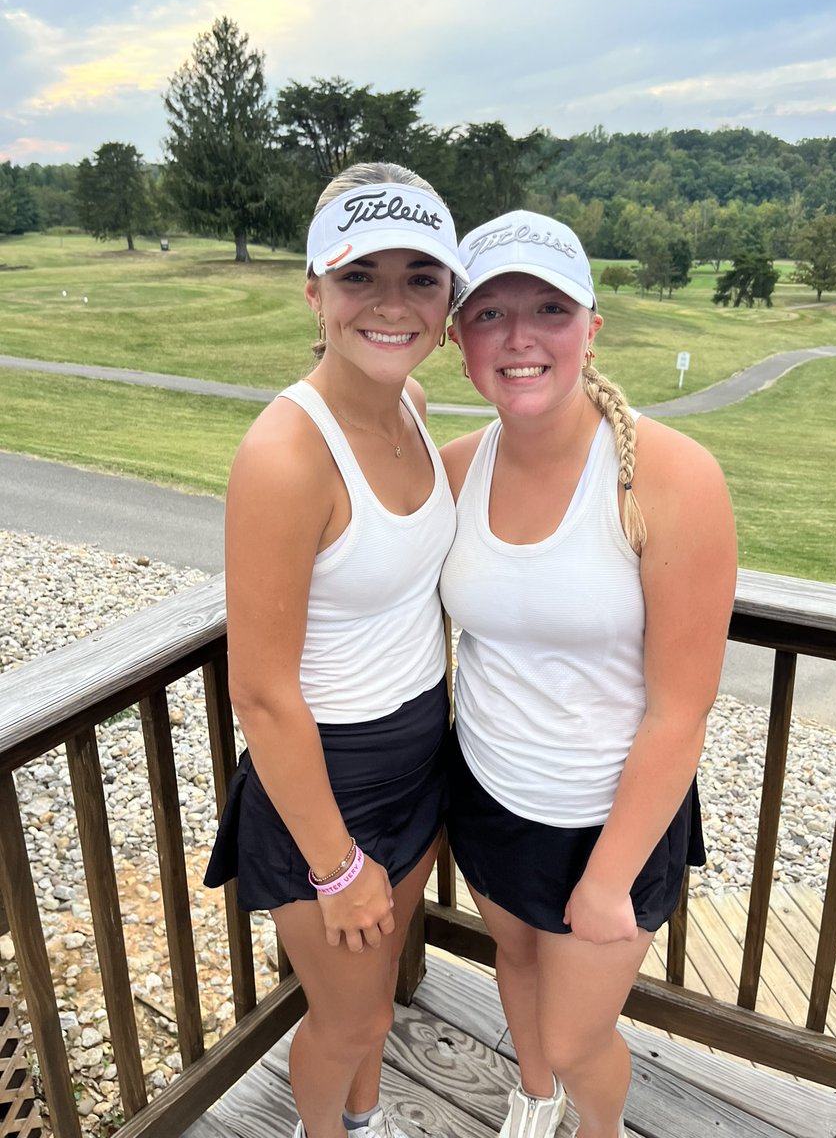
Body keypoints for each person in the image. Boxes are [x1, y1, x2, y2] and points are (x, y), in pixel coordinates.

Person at [440, 211, 737, 1138]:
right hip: (489, 793)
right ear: (458, 339)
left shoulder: (669, 480)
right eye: (489, 313)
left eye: (548, 309)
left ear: (591, 329)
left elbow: (680, 712)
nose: (519, 337)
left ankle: (594, 1127)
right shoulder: (451, 473)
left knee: (578, 1037)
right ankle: (535, 1101)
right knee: (516, 966)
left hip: (613, 820)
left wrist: (609, 880)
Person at [204, 163, 469, 1138]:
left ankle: (366, 1119)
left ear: (448, 297)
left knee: (377, 1000)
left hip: (416, 758)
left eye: (420, 276)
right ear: (314, 292)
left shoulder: (413, 408)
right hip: (330, 786)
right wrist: (334, 865)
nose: (392, 303)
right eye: (361, 277)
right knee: (350, 1012)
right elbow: (264, 694)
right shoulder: (284, 457)